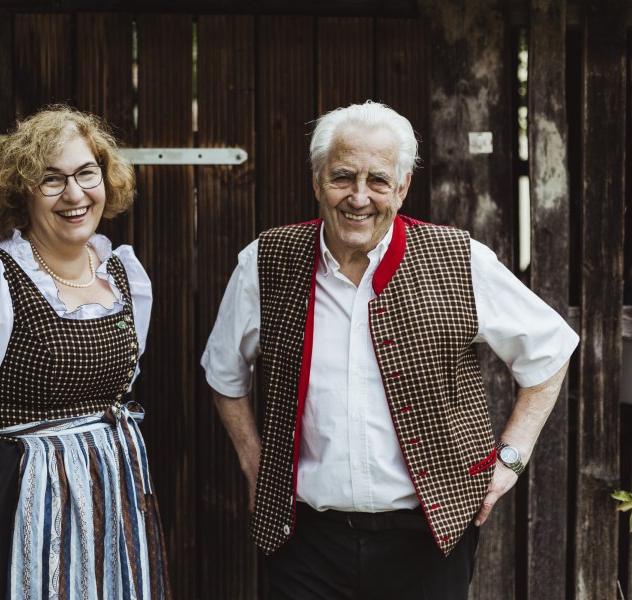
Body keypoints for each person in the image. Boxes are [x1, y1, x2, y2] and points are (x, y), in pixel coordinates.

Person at [201, 101, 578, 599]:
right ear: (317, 182)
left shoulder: (458, 259)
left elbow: (549, 352)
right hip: (308, 542)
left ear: (401, 189)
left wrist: (511, 457)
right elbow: (224, 374)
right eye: (342, 177)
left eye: (378, 180)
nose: (359, 197)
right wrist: (256, 464)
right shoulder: (266, 261)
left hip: (427, 542)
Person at [0, 105, 171, 600]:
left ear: (106, 180)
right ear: (21, 194)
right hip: (18, 511)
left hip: (112, 500)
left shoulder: (123, 276)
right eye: (51, 180)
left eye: (86, 173)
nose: (74, 194)